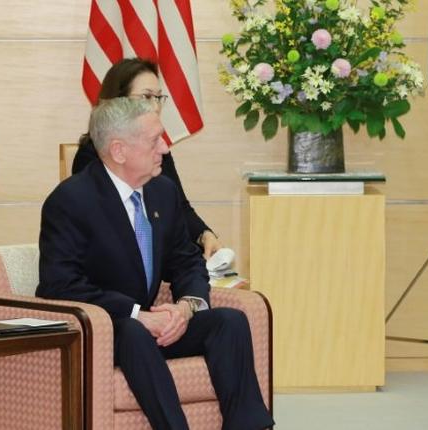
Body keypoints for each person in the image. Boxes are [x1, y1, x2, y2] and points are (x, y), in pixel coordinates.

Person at [37, 97, 273, 430]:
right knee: (133, 331)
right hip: (103, 328)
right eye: (154, 141)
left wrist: (185, 308)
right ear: (119, 151)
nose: (164, 148)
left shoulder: (162, 192)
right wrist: (138, 315)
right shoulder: (71, 200)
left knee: (228, 322)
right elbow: (58, 284)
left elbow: (186, 261)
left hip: (154, 328)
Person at [72, 57, 222, 259]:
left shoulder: (157, 150)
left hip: (164, 260)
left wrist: (204, 234)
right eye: (146, 96)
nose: (156, 106)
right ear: (119, 101)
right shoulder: (93, 155)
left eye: (159, 97)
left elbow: (179, 206)